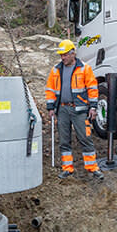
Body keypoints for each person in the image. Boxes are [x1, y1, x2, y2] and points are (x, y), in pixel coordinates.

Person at [45, 40, 104, 180]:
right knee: (64, 141)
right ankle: (67, 168)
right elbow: (50, 89)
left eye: (65, 55)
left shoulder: (84, 68)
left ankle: (92, 167)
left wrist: (93, 107)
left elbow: (92, 89)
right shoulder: (56, 70)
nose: (63, 57)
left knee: (85, 138)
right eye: (61, 55)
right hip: (62, 109)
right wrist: (50, 107)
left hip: (80, 111)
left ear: (73, 53)